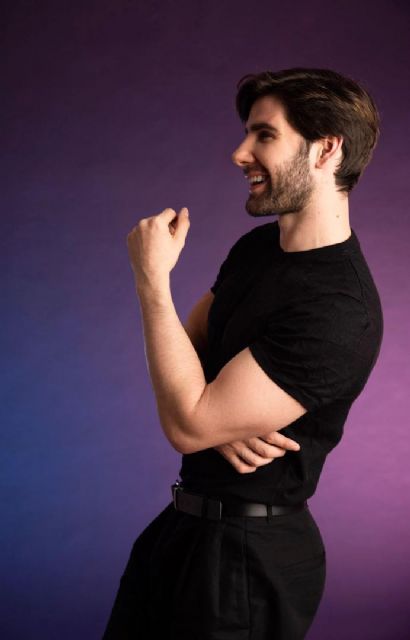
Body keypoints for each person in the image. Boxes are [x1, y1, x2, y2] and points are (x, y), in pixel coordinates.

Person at [101, 68, 383, 640]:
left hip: (245, 565)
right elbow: (187, 356)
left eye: (265, 134)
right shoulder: (257, 248)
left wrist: (152, 281)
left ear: (326, 149)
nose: (239, 153)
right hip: (180, 531)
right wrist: (216, 415)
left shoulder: (339, 308)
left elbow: (185, 422)